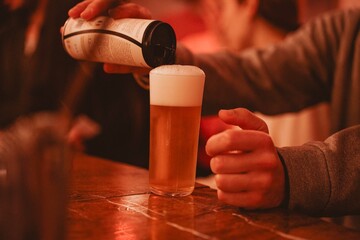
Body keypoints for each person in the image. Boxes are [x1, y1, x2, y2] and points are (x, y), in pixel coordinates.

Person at [67, 1, 360, 218]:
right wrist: (150, 49)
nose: (214, 16)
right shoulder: (344, 29)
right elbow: (251, 75)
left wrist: (294, 172)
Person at [0, 0, 150, 168]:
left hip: (94, 163)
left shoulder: (76, 18)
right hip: (28, 161)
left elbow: (121, 113)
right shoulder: (14, 25)